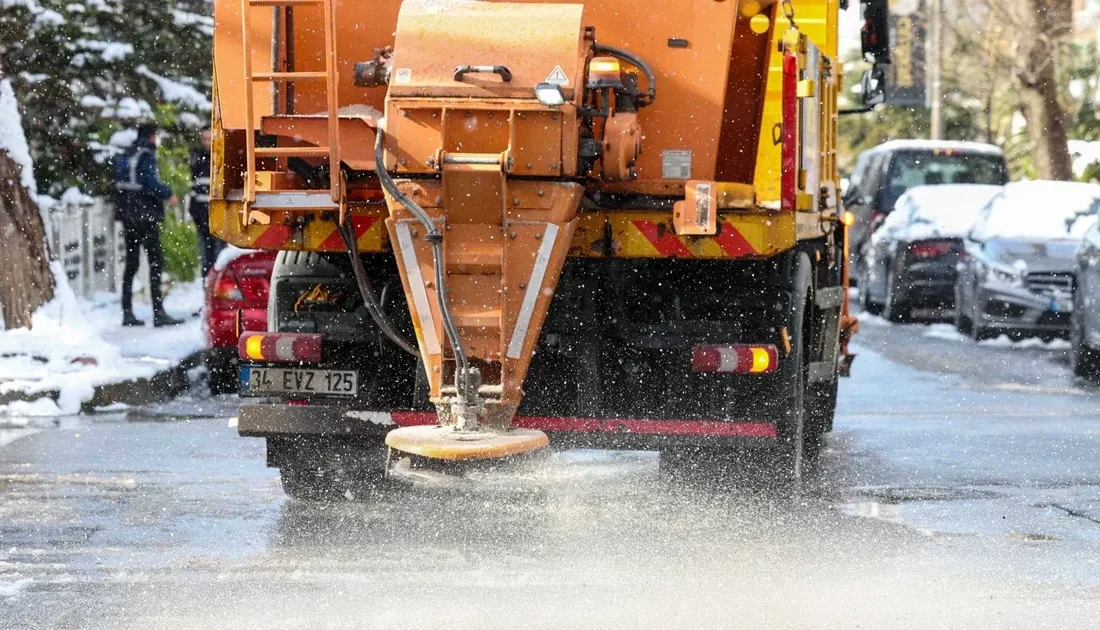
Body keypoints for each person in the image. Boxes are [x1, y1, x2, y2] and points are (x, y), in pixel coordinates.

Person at [114, 123, 183, 327]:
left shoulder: (129, 153)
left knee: (132, 263)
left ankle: (127, 312)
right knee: (155, 262)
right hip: (145, 216)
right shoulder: (145, 155)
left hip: (128, 215)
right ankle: (158, 312)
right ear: (152, 137)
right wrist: (168, 193)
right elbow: (149, 183)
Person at [189, 126, 223, 277]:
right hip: (201, 215)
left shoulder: (220, 157)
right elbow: (194, 188)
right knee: (206, 257)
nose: (207, 142)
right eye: (204, 139)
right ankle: (206, 288)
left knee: (218, 256)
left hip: (217, 215)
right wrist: (194, 212)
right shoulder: (197, 158)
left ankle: (215, 287)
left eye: (210, 139)